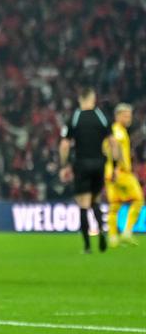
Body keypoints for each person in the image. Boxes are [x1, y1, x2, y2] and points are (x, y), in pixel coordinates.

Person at [59, 88, 110, 253]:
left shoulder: (75, 117)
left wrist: (64, 165)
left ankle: (87, 246)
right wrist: (114, 164)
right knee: (95, 200)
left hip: (81, 164)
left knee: (83, 204)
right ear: (93, 98)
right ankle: (102, 230)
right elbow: (113, 142)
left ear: (81, 99)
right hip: (99, 163)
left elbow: (65, 144)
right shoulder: (101, 117)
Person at [104, 103, 142, 247]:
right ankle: (127, 232)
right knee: (138, 200)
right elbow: (116, 148)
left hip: (109, 173)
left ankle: (113, 238)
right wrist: (118, 166)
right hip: (120, 172)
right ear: (118, 116)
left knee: (114, 206)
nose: (129, 118)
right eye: (126, 116)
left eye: (130, 115)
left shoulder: (111, 131)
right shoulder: (119, 131)